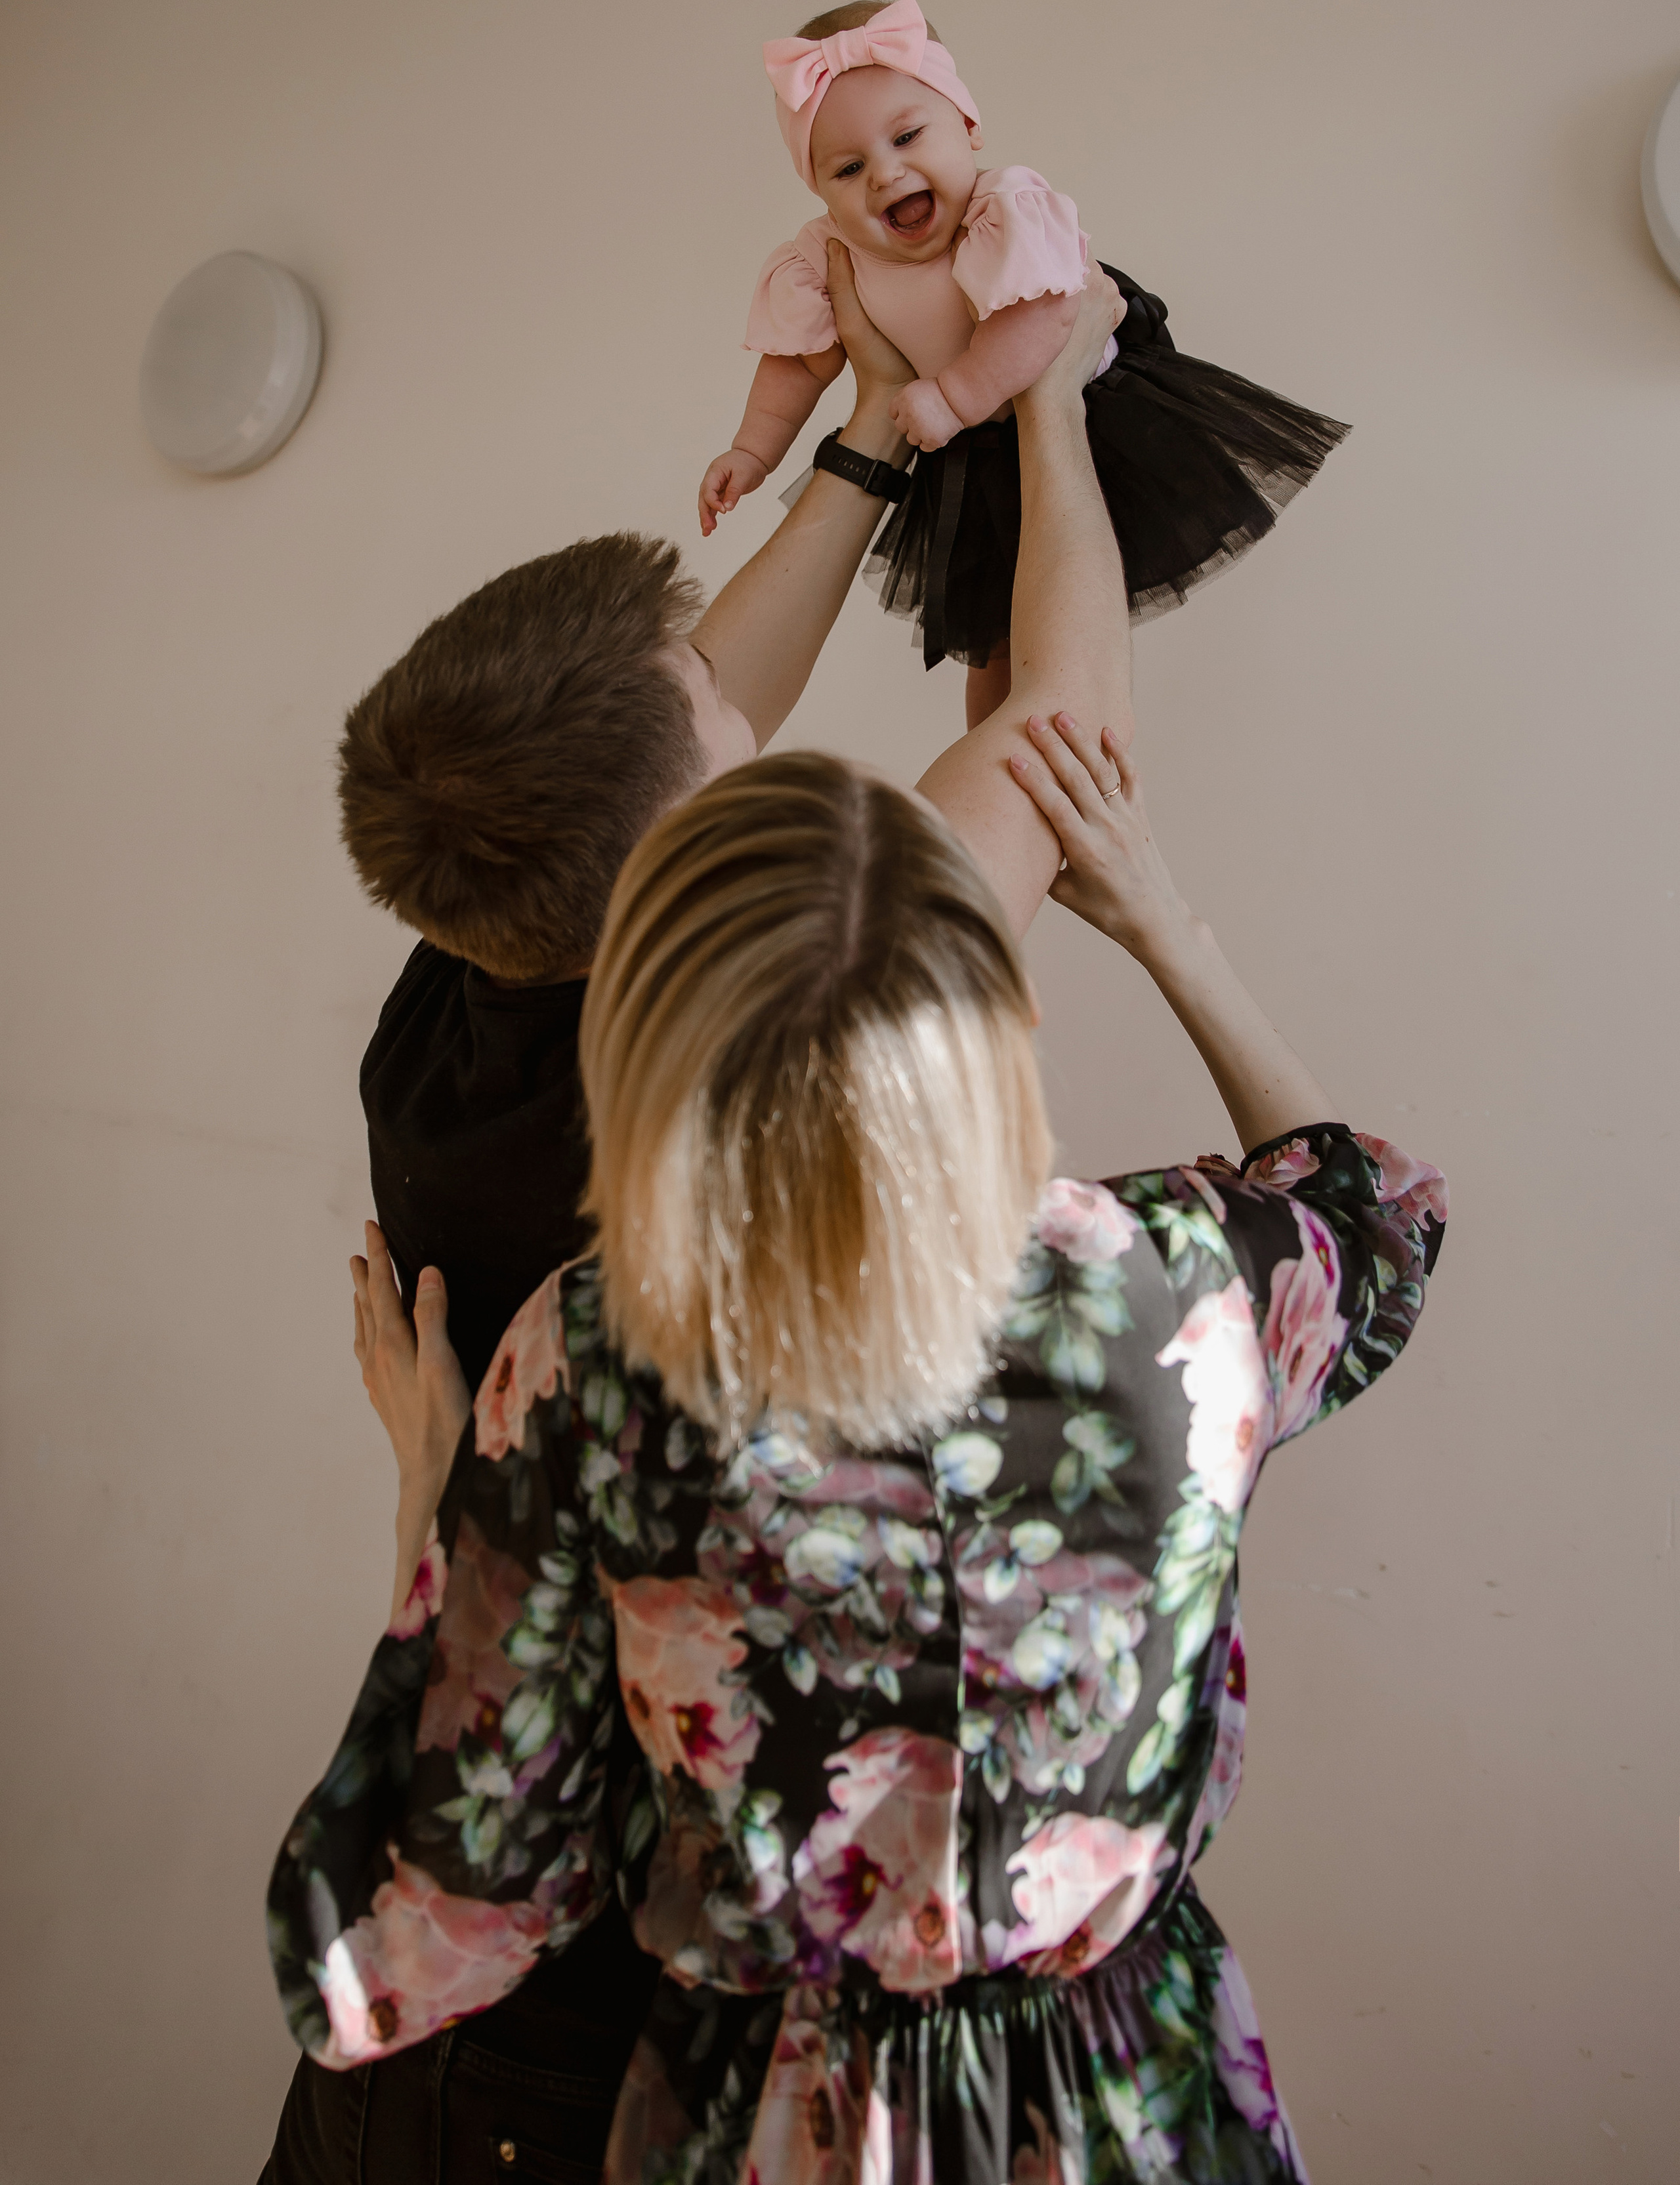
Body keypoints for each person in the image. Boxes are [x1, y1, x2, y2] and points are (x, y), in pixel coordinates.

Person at [268, 722, 1444, 2182]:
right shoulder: (1183, 1278)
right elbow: (1378, 1219)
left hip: (783, 2124)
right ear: (992, 1022)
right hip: (1143, 2102)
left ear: (649, 1051)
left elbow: (402, 1929)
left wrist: (438, 1496)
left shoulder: (597, 1359)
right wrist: (1163, 923)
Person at [261, 258, 1132, 2181]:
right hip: (594, 2000)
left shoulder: (454, 999)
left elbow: (683, 711)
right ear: (662, 854)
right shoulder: (738, 1071)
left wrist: (878, 445)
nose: (740, 709)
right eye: (710, 720)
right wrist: (1048, 380)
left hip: (433, 1928)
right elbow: (1052, 739)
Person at [699, 0, 1348, 717]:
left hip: (1094, 419)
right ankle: (996, 749)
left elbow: (1040, 319)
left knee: (1067, 606)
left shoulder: (1002, 209)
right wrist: (751, 451)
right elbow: (801, 361)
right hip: (974, 452)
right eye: (847, 169)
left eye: (908, 136)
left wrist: (952, 397)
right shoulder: (827, 255)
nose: (884, 174)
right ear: (816, 189)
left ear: (967, 126)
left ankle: (1067, 738)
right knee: (1001, 634)